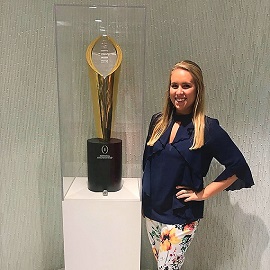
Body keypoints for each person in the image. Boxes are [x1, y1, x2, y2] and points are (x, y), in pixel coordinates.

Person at [142, 60, 254, 269]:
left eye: (186, 86)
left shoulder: (208, 129)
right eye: (174, 85)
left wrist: (203, 194)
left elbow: (238, 166)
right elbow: (148, 165)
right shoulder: (157, 122)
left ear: (197, 90)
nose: (179, 91)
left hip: (181, 214)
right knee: (162, 265)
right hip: (152, 210)